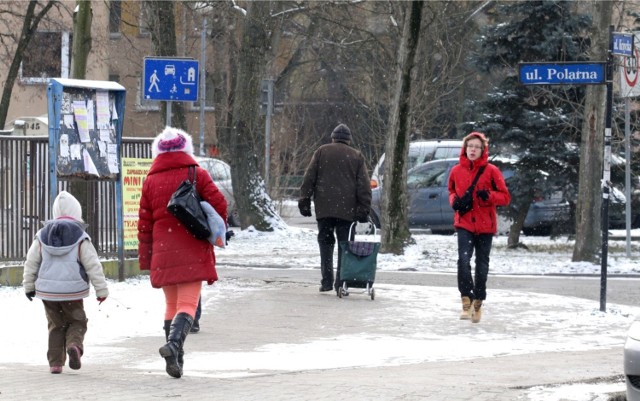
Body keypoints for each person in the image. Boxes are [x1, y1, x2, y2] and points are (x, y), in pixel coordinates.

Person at [138, 126, 227, 378]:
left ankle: (175, 360)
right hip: (192, 246)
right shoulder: (196, 173)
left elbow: (144, 224)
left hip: (163, 250)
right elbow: (219, 202)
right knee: (188, 303)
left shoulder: (150, 180)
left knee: (171, 304)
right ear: (185, 149)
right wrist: (212, 221)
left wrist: (146, 258)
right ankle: (174, 346)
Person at [22, 190, 109, 374]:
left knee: (55, 325)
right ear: (77, 212)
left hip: (48, 293)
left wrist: (29, 286)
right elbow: (93, 264)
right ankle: (74, 345)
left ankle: (55, 363)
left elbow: (31, 262)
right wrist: (101, 290)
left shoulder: (42, 235)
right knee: (77, 321)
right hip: (73, 291)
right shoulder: (80, 237)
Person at [299, 123, 372, 295]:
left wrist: (304, 199)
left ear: (333, 138)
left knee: (325, 243)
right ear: (349, 140)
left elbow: (309, 177)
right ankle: (341, 282)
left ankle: (326, 281)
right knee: (344, 246)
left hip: (324, 208)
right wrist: (363, 209)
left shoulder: (321, 151)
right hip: (347, 211)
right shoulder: (356, 156)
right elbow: (364, 187)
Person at [448, 132, 511, 323]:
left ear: (483, 150)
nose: (472, 150)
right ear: (465, 149)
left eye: (476, 147)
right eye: (470, 146)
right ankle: (465, 299)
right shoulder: (456, 171)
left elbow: (505, 197)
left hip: (485, 226)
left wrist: (489, 196)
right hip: (464, 222)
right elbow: (451, 190)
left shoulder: (491, 171)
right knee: (463, 260)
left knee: (482, 268)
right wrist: (455, 201)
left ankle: (478, 302)